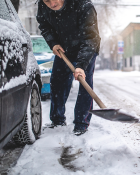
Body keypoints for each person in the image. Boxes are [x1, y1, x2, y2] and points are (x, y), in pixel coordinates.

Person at [36, 0, 101, 136]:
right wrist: (53, 43)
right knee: (57, 82)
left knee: (84, 82)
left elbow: (91, 37)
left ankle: (81, 123)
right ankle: (57, 119)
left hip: (86, 48)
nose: (52, 4)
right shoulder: (43, 5)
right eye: (47, 1)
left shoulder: (83, 5)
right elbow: (44, 25)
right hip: (64, 49)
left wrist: (81, 65)